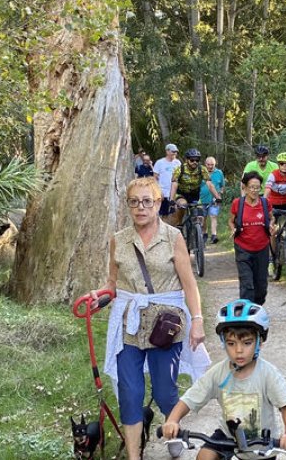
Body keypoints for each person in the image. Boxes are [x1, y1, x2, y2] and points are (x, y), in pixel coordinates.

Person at [97, 177, 211, 460]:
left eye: (147, 201)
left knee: (164, 390)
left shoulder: (173, 237)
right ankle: (134, 456)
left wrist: (197, 319)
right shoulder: (118, 240)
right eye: (134, 202)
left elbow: (188, 283)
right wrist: (97, 296)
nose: (140, 207)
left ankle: (171, 425)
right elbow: (112, 283)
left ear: (159, 203)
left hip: (165, 324)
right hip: (129, 325)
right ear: (128, 205)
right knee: (130, 391)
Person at [160, 300, 286, 458]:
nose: (238, 350)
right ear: (223, 342)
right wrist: (172, 420)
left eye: (247, 343)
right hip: (227, 436)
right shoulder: (219, 372)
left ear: (260, 342)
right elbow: (190, 398)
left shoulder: (268, 374)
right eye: (231, 343)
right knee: (205, 456)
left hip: (261, 443)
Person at [229, 171, 272, 304]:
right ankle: (247, 314)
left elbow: (271, 218)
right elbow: (231, 220)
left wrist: (272, 225)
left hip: (262, 247)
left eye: (257, 187)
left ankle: (257, 308)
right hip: (243, 247)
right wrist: (233, 228)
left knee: (261, 287)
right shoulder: (238, 203)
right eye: (251, 187)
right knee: (247, 283)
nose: (254, 190)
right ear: (245, 188)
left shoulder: (265, 203)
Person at [170, 148, 221, 226]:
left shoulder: (202, 169)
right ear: (187, 160)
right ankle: (179, 224)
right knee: (182, 205)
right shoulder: (180, 169)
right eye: (192, 160)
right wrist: (171, 199)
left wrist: (217, 197)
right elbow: (174, 185)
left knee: (200, 217)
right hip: (182, 194)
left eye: (197, 160)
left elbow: (210, 184)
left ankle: (197, 233)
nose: (195, 162)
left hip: (195, 195)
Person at [200, 156, 226, 243]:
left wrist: (219, 194)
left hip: (215, 199)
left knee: (213, 216)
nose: (210, 166)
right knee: (203, 218)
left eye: (212, 164)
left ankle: (214, 235)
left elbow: (222, 186)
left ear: (215, 164)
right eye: (208, 164)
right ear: (205, 164)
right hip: (202, 200)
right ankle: (204, 234)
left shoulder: (219, 173)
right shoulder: (200, 172)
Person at [153, 144, 181, 218]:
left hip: (174, 193)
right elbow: (155, 178)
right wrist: (158, 191)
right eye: (173, 151)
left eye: (175, 152)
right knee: (163, 214)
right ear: (167, 151)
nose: (174, 154)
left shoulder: (178, 163)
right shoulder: (160, 163)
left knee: (173, 214)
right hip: (163, 192)